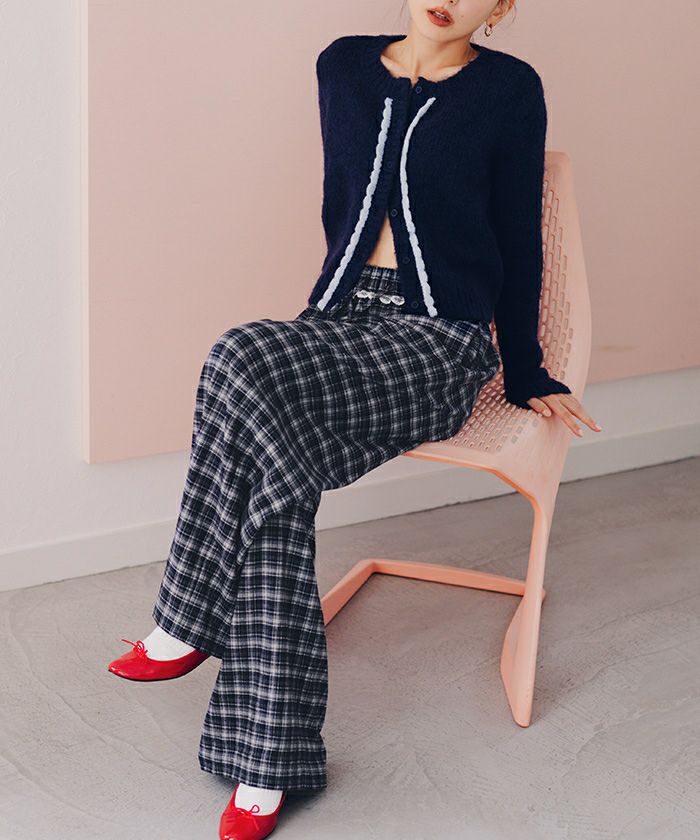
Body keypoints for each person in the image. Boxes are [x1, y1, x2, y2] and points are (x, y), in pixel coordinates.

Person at [107, 2, 601, 837]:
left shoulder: (509, 90)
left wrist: (524, 368)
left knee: (239, 359)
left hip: (435, 343)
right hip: (335, 326)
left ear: (501, 7)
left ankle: (186, 623)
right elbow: (346, 195)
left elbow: (520, 239)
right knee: (271, 450)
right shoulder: (342, 65)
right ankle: (267, 762)